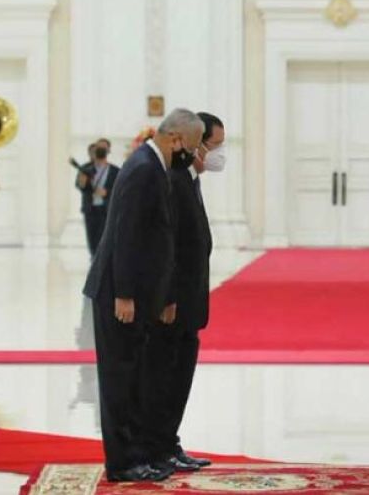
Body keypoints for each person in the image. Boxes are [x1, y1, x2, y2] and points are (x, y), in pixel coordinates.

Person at [82, 108, 204, 483]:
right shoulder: (144, 169)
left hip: (135, 293)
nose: (195, 155)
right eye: (195, 146)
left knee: (133, 377)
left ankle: (136, 455)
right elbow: (126, 234)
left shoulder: (153, 165)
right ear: (176, 139)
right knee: (120, 380)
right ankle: (122, 463)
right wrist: (124, 294)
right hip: (119, 295)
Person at [141, 112, 224, 473]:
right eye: (214, 146)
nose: (218, 155)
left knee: (179, 381)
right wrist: (169, 298)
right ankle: (157, 448)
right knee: (165, 379)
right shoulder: (173, 180)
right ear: (194, 145)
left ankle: (169, 444)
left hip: (191, 305)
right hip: (174, 306)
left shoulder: (189, 180)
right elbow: (166, 247)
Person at [76, 139, 119, 256]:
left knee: (104, 239)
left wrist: (107, 193)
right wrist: (82, 181)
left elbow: (119, 190)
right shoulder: (85, 168)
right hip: (90, 209)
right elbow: (80, 185)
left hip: (106, 210)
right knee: (92, 239)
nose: (100, 150)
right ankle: (94, 260)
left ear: (108, 150)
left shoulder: (115, 171)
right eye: (98, 147)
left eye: (103, 148)